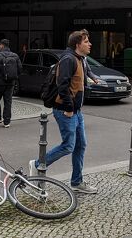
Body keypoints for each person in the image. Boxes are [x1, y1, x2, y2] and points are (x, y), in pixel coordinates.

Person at [29, 29, 101, 194]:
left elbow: (83, 74)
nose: (90, 44)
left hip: (76, 111)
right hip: (66, 110)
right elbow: (63, 85)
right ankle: (38, 163)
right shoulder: (68, 59)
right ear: (77, 44)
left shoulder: (80, 58)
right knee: (68, 146)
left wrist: (93, 77)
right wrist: (68, 108)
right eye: (86, 41)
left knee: (80, 145)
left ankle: (76, 182)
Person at [0, 39, 22, 128]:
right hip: (11, 82)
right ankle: (7, 122)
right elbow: (20, 69)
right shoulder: (15, 56)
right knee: (8, 101)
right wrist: (14, 78)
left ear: (1, 45)